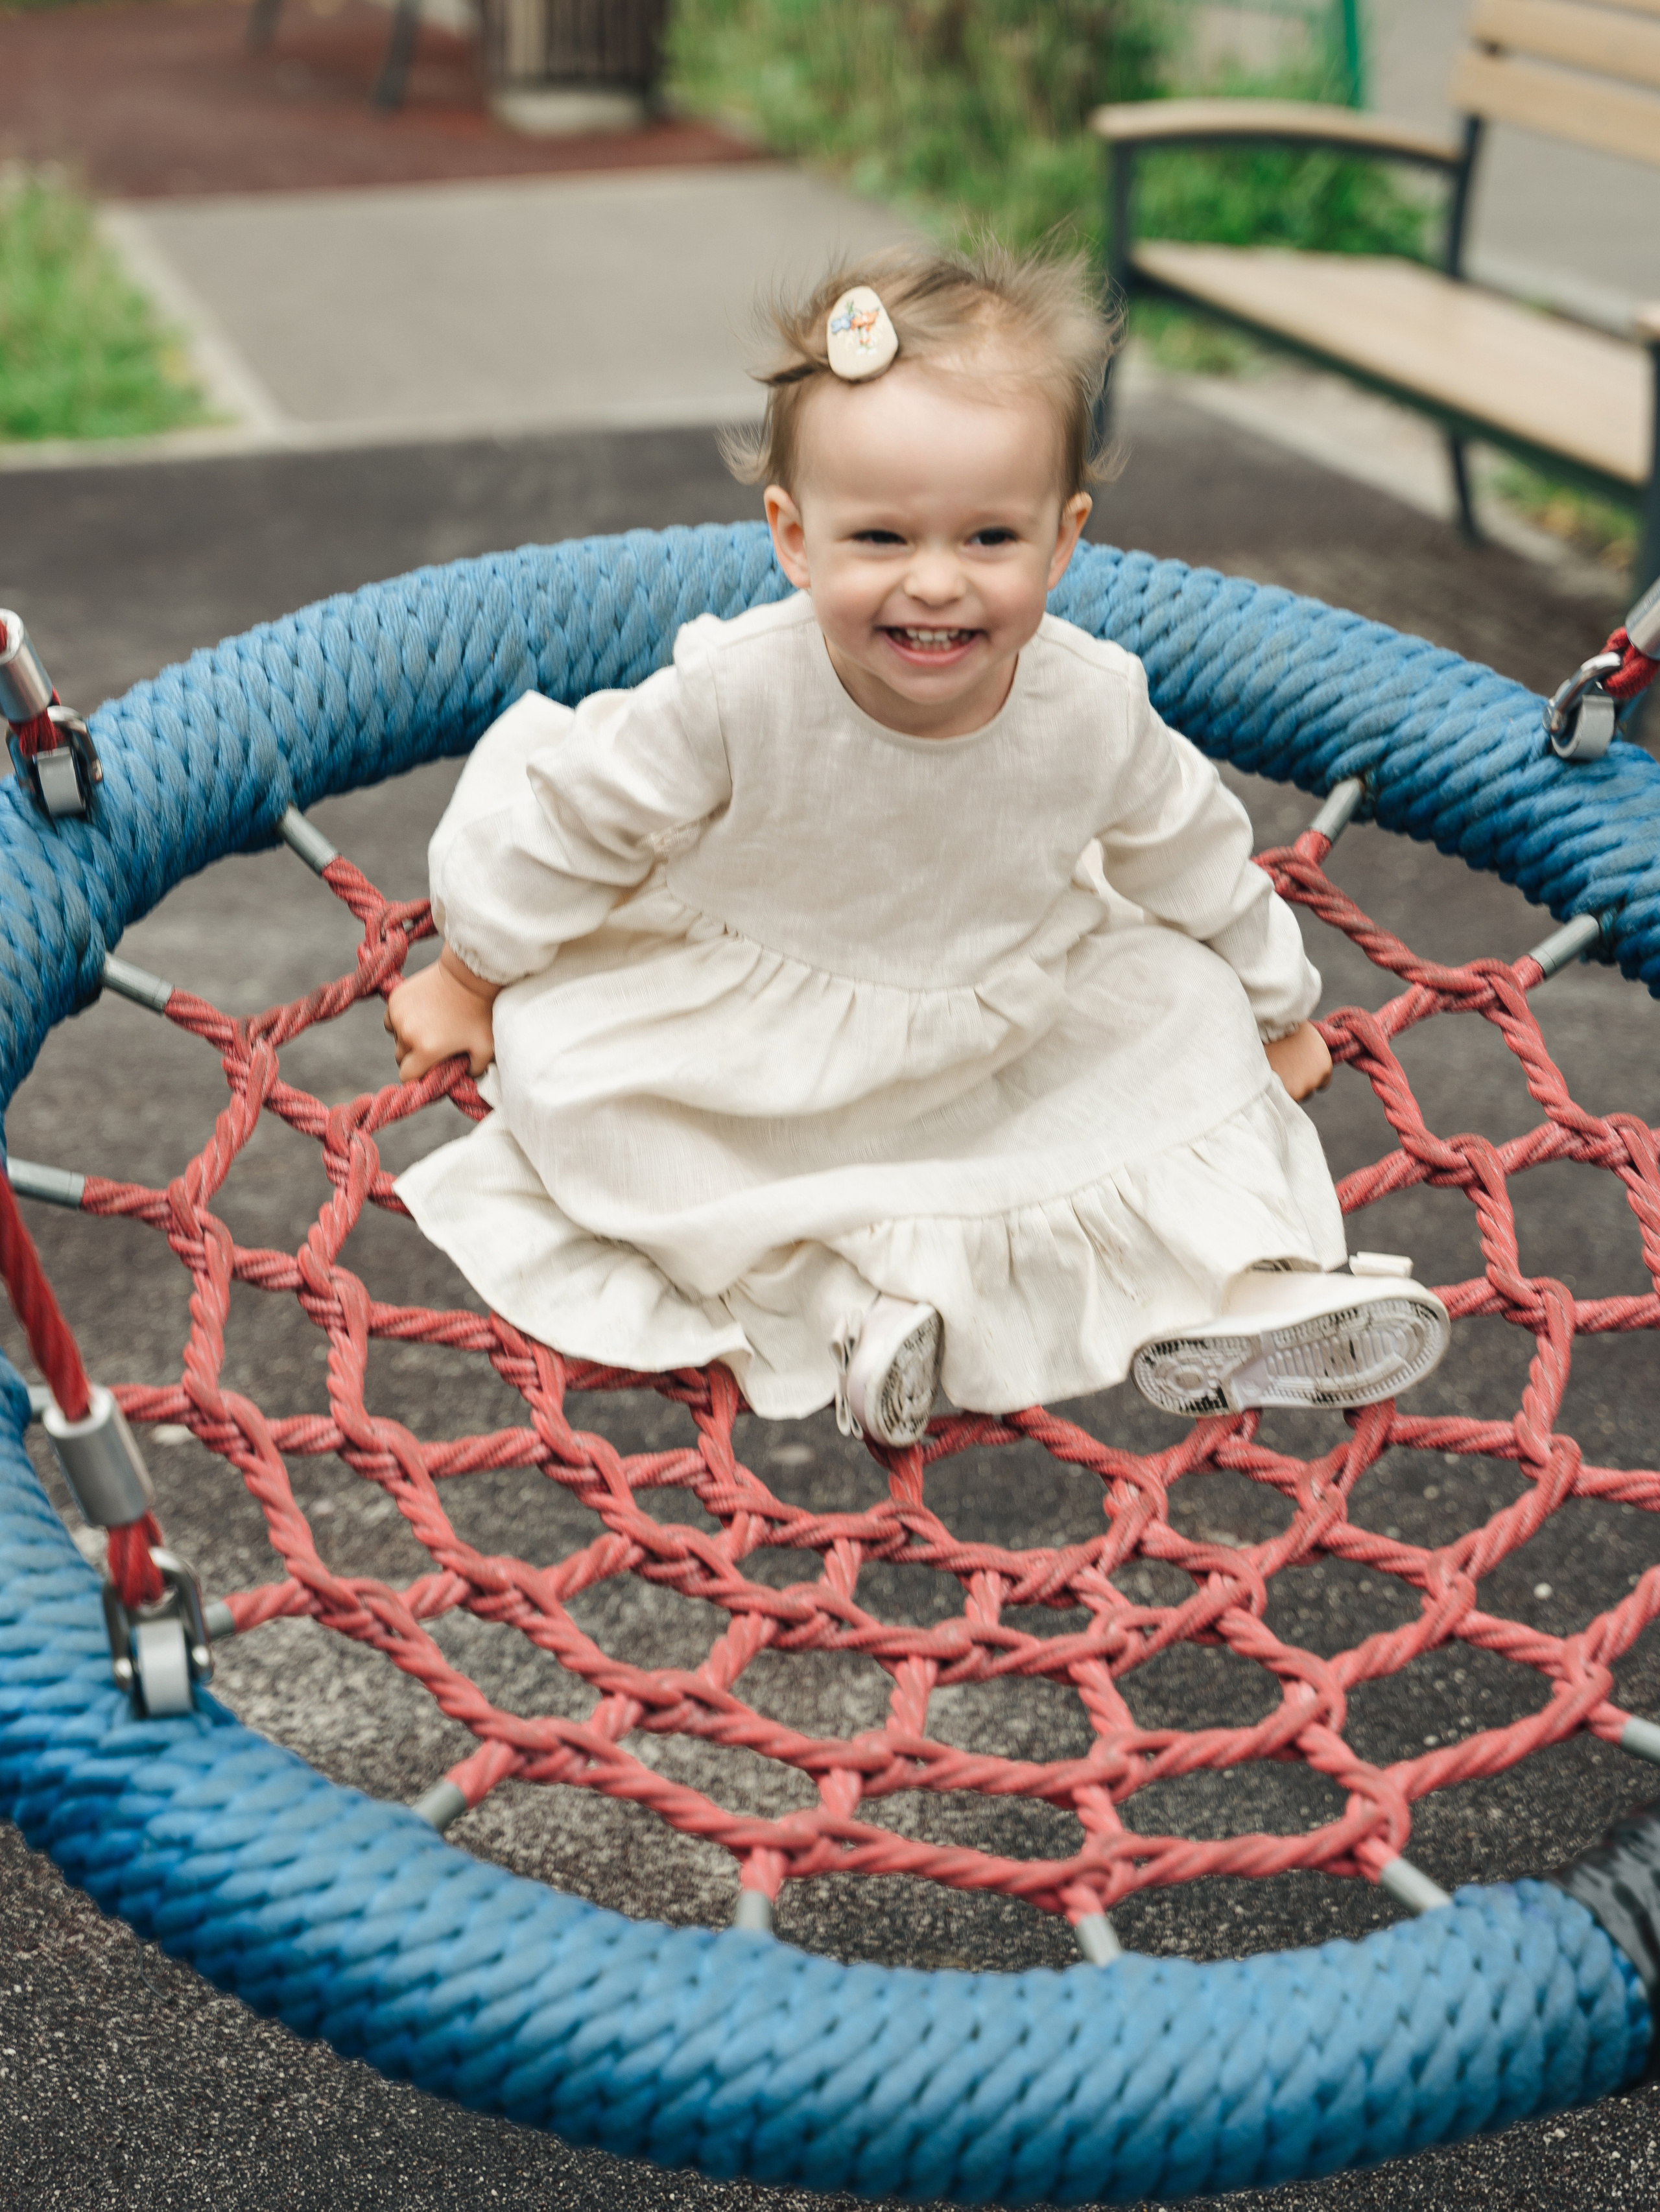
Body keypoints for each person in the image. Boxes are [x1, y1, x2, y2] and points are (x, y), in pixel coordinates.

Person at [385, 242, 1449, 1449]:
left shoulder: (1091, 706)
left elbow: (1197, 855)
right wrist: (472, 973)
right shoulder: (736, 693)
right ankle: (858, 1315)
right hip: (753, 1023)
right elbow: (580, 822)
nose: (936, 584)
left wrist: (1274, 1005)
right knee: (595, 1105)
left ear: (1063, 541)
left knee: (1188, 1030)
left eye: (990, 539)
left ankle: (1260, 1285)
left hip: (999, 1004)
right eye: (882, 540)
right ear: (794, 538)